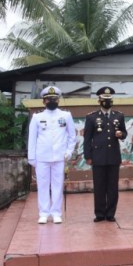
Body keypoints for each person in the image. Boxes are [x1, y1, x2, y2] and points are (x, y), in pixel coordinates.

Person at [27, 86, 76, 224]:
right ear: (44, 101)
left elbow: (72, 136)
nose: (52, 101)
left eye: (54, 99)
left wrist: (68, 152)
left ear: (58, 100)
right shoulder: (37, 117)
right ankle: (43, 213)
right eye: (49, 99)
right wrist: (32, 157)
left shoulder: (66, 116)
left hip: (59, 156)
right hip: (41, 157)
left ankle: (56, 213)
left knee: (57, 185)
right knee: (42, 185)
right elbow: (32, 138)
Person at [83, 87, 127, 223]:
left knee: (112, 187)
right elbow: (87, 138)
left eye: (109, 100)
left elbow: (124, 133)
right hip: (98, 156)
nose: (107, 102)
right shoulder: (91, 117)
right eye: (104, 100)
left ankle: (111, 213)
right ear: (99, 101)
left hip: (113, 156)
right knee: (99, 186)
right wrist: (88, 156)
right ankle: (100, 213)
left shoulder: (118, 116)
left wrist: (121, 135)